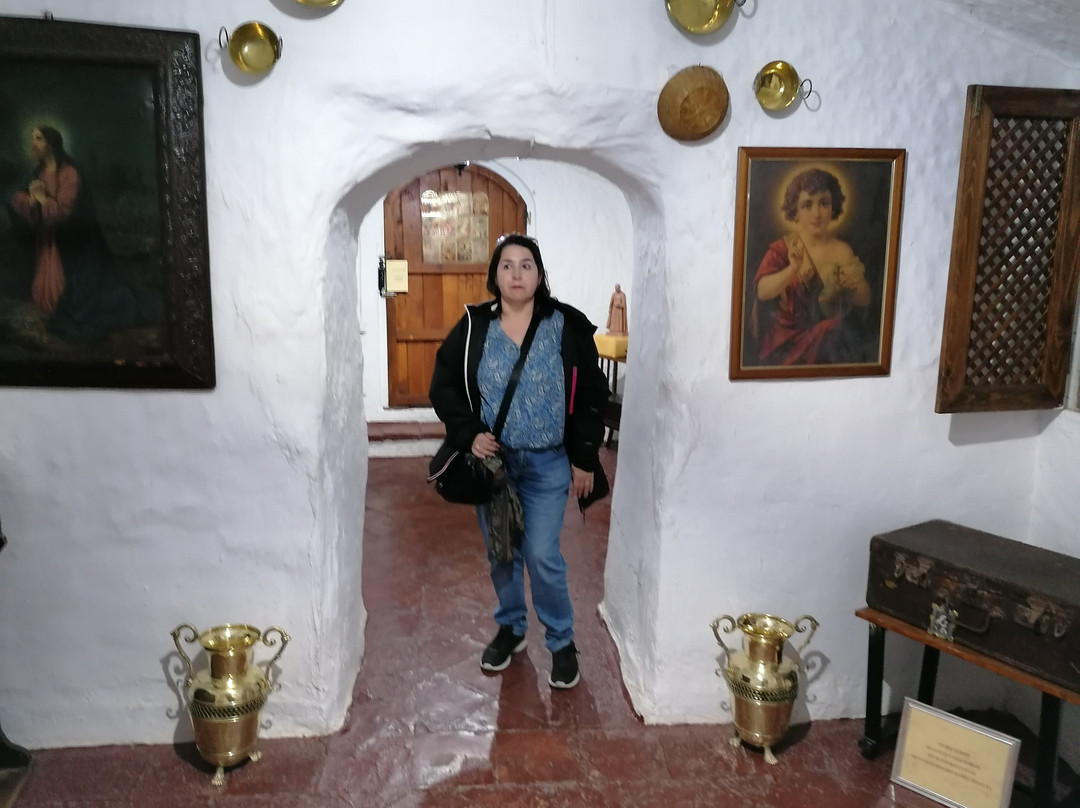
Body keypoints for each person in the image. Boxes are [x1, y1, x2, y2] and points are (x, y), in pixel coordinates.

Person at [429, 233, 610, 690]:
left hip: (548, 464)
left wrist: (585, 457)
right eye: (506, 265)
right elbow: (444, 385)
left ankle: (562, 641)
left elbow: (592, 394)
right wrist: (468, 435)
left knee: (543, 554)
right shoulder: (474, 327)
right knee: (502, 554)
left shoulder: (565, 325)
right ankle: (511, 627)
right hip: (494, 468)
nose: (515, 273)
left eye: (525, 265)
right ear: (494, 275)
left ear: (539, 274)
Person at [7, 125, 158, 343]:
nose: (34, 144)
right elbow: (14, 196)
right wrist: (29, 200)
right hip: (47, 242)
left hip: (72, 243)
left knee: (71, 302)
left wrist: (42, 200)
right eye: (32, 138)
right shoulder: (36, 173)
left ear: (50, 143)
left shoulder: (69, 173)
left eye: (38, 138)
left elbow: (65, 212)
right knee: (42, 296)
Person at [751, 168, 871, 365]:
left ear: (834, 207)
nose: (817, 213)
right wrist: (793, 269)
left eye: (824, 203)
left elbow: (865, 299)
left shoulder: (842, 250)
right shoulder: (785, 248)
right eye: (807, 205)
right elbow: (762, 292)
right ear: (794, 211)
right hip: (787, 342)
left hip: (830, 339)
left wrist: (851, 286)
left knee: (837, 329)